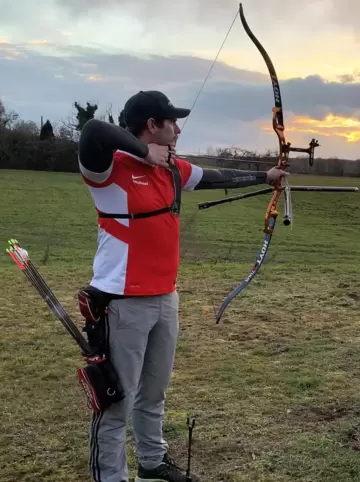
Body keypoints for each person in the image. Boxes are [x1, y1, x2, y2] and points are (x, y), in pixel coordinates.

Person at [77, 90, 287, 482]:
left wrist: (266, 176)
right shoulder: (110, 169)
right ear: (151, 126)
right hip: (121, 303)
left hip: (164, 298)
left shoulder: (172, 169)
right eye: (170, 122)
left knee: (153, 393)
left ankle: (152, 464)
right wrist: (142, 153)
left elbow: (217, 177)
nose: (177, 129)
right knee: (114, 402)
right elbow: (92, 130)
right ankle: (111, 477)